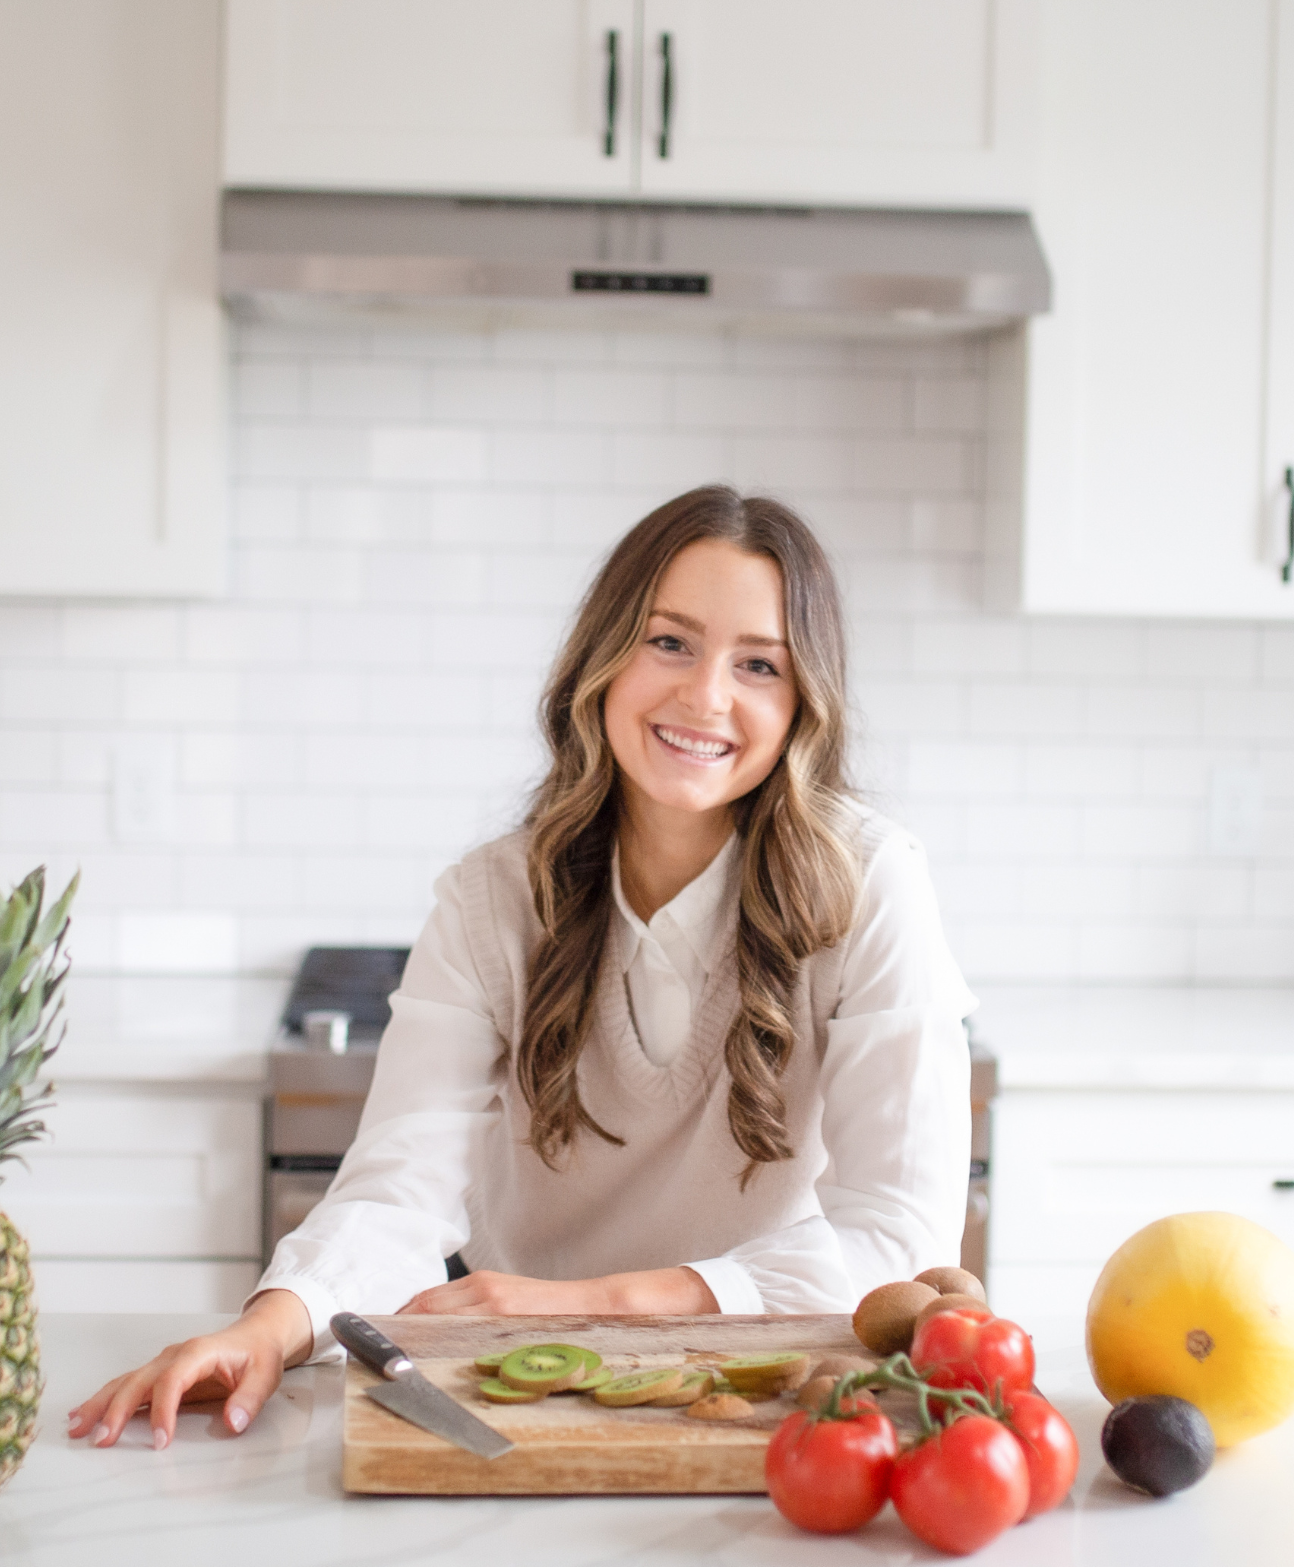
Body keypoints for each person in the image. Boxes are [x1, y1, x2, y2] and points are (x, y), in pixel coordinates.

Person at [70, 486, 975, 1451]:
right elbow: (398, 1188)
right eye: (669, 641)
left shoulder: (870, 883)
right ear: (604, 655)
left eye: (759, 664)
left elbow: (899, 1238)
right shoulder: (490, 900)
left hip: (765, 1404)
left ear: (802, 703)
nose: (707, 695)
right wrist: (271, 1324)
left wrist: (591, 1304)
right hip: (523, 1397)